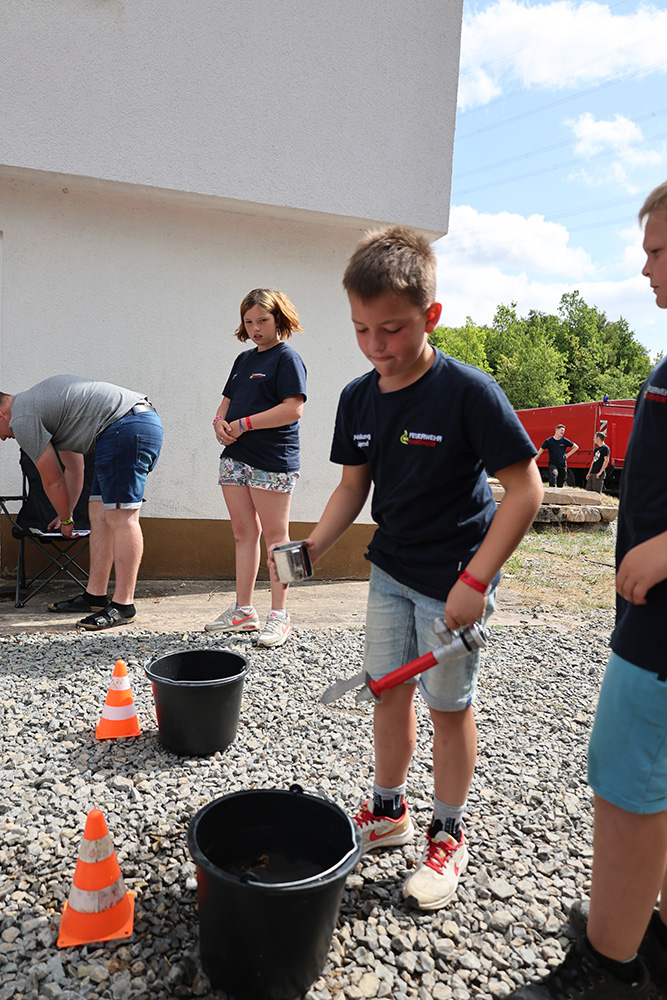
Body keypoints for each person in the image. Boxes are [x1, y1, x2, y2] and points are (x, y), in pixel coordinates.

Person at [273, 226, 543, 910]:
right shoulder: (359, 397)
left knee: (448, 709)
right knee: (385, 692)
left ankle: (447, 832)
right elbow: (350, 488)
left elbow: (526, 490)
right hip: (389, 570)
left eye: (390, 330)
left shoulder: (467, 393)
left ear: (430, 317)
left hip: (454, 577)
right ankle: (387, 811)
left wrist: (475, 582)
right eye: (361, 330)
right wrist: (310, 549)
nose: (375, 346)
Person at [506, 182, 667, 998]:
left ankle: (608, 967)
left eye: (659, 251)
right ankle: (658, 931)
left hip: (659, 631)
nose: (643, 268)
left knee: (627, 779)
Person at [0, 375, 163, 630]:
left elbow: (52, 480)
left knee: (122, 516)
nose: (1, 439)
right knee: (98, 513)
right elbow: (74, 469)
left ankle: (124, 605)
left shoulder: (22, 417)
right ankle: (95, 596)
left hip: (126, 426)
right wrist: (69, 515)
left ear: (0, 414)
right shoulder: (41, 408)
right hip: (121, 427)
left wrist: (65, 520)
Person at [205, 288, 307, 649]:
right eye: (249, 322)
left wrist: (244, 424)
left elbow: (293, 409)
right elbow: (225, 404)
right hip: (235, 458)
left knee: (279, 539)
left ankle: (281, 615)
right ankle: (243, 611)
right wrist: (219, 422)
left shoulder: (287, 359)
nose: (255, 328)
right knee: (242, 533)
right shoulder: (243, 360)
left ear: (279, 319)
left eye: (262, 320)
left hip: (272, 458)